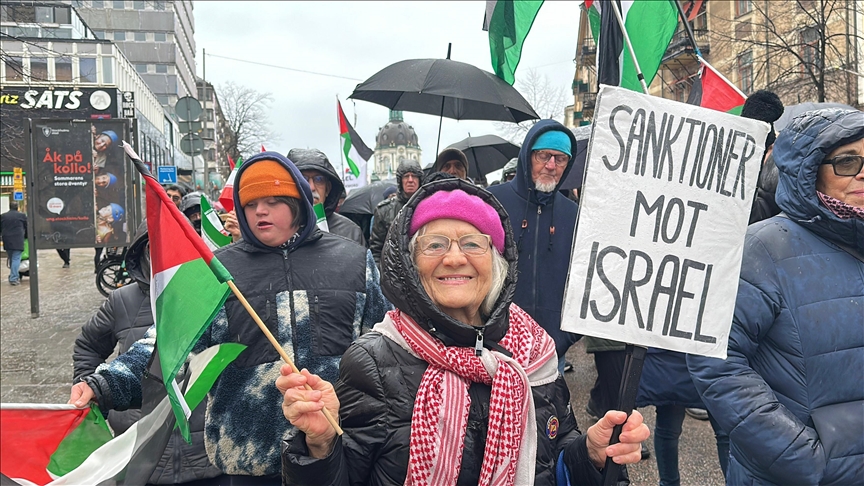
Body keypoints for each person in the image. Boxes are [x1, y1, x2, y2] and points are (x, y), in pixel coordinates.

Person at [279, 179, 650, 485]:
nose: (454, 258)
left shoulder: (534, 353)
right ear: (410, 263)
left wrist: (590, 455)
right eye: (435, 244)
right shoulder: (373, 361)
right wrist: (321, 446)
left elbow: (552, 462)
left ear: (497, 261)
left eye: (473, 244)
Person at [70, 151, 390, 482]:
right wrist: (102, 384)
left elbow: (382, 350)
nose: (260, 211)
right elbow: (165, 345)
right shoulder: (216, 272)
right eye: (250, 204)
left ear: (299, 203)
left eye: (273, 200)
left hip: (335, 449)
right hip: (250, 457)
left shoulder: (353, 261)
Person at [687, 108, 864, 486]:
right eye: (848, 161)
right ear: (810, 168)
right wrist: (802, 458)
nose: (862, 171)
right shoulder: (761, 248)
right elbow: (715, 360)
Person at [71, 223, 221, 484]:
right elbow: (88, 346)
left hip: (204, 453)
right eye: (156, 246)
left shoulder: (215, 298)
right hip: (136, 449)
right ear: (142, 251)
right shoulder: (122, 300)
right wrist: (91, 389)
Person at [487, 120, 581, 373]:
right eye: (543, 156)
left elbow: (582, 284)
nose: (551, 165)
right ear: (528, 156)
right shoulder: (492, 203)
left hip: (550, 352)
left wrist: (564, 338)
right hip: (494, 348)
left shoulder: (574, 215)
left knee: (545, 414)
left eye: (560, 159)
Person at [636, 349, 729, 485]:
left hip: (674, 351)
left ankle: (669, 483)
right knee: (725, 432)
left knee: (668, 428)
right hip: (705, 353)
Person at [288, 148, 365, 245]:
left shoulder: (350, 232)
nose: (311, 187)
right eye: (303, 179)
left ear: (327, 189)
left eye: (318, 179)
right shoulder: (276, 229)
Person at [369, 158, 423, 268]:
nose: (410, 180)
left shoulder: (429, 206)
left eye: (414, 176)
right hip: (394, 272)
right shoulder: (384, 210)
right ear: (400, 180)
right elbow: (376, 249)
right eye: (406, 176)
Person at [1, 201, 27, 286]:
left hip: (7, 240)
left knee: (12, 258)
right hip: (17, 240)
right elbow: (26, 227)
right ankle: (14, 278)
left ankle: (13, 275)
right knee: (16, 259)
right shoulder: (21, 216)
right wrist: (26, 237)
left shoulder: (3, 216)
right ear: (17, 207)